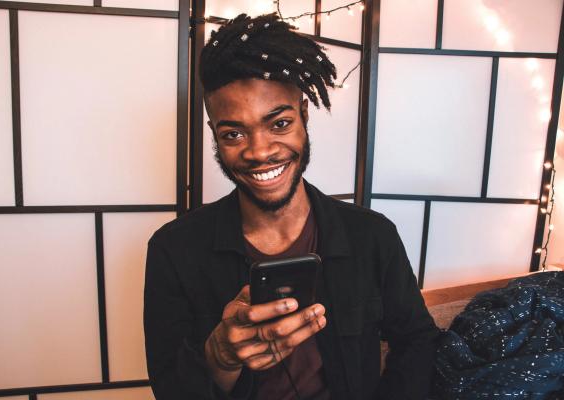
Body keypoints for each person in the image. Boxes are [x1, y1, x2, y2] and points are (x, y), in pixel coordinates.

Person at [144, 13, 439, 400]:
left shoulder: (372, 235)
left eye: (279, 124)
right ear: (215, 136)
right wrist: (221, 358)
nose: (260, 151)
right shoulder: (174, 250)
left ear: (303, 115)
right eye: (233, 133)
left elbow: (419, 343)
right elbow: (171, 390)